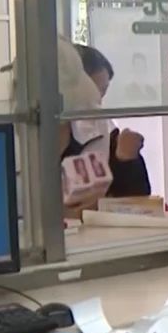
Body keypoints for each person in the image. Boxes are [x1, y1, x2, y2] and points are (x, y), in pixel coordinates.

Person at [73, 45, 151, 197]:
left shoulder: (108, 132)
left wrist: (127, 160)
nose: (97, 100)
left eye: (103, 91)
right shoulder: (39, 134)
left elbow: (137, 198)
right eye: (92, 90)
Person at [56, 38, 113, 219]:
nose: (98, 99)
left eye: (103, 91)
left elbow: (91, 199)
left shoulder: (96, 124)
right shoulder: (16, 132)